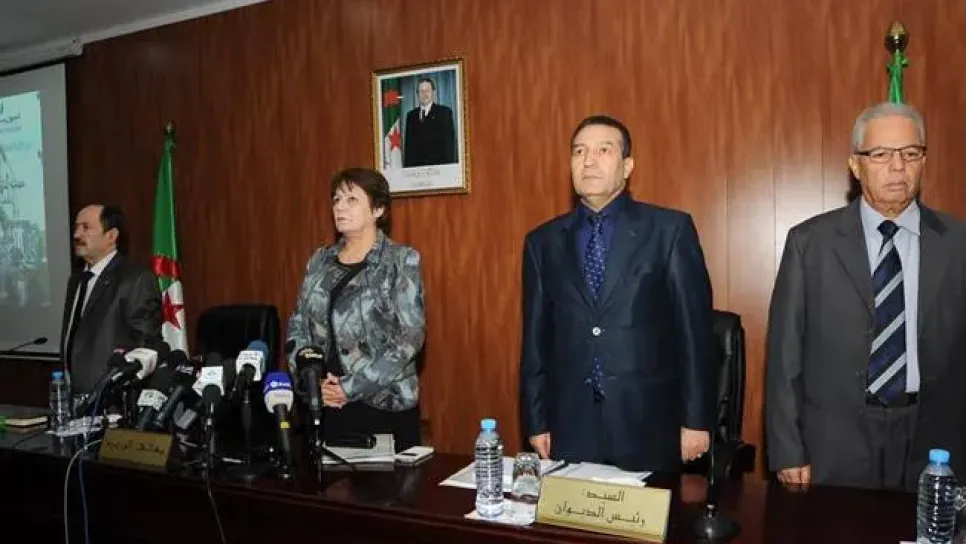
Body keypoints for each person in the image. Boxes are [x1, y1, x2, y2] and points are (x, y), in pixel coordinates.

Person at [766, 102, 966, 491]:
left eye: (911, 154)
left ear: (923, 162)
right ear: (855, 166)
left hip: (933, 443)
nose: (898, 167)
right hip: (835, 442)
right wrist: (787, 448)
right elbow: (785, 355)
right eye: (881, 155)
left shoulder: (957, 243)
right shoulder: (810, 243)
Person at [519, 115, 718, 472]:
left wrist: (696, 420)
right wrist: (536, 421)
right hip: (571, 426)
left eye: (603, 150)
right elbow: (535, 340)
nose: (588, 161)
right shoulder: (542, 243)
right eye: (579, 151)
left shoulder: (669, 231)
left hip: (650, 424)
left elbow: (695, 333)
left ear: (627, 166)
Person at [286, 167, 426, 452]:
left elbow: (410, 338)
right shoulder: (320, 261)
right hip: (323, 405)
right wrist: (311, 382)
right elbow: (298, 326)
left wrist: (349, 388)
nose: (340, 207)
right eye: (336, 199)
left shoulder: (401, 260)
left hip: (382, 406)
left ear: (378, 209)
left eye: (351, 199)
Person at [61, 204, 163, 393]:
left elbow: (146, 344)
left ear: (111, 236)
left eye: (86, 227)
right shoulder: (77, 279)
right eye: (76, 227)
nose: (76, 235)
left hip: (113, 398)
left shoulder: (135, 278)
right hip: (73, 395)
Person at [403, 77, 457, 167]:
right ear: (417, 94)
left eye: (427, 90)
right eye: (421, 91)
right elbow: (408, 149)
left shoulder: (444, 113)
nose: (424, 94)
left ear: (433, 92)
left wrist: (448, 169)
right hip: (416, 171)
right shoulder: (411, 116)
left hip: (439, 169)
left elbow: (449, 146)